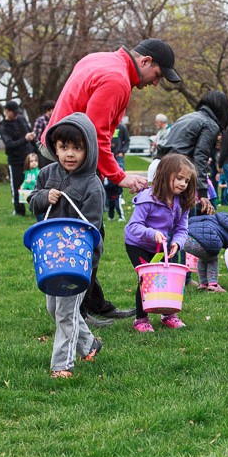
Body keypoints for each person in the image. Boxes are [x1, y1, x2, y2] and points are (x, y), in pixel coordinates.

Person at [46, 38, 180, 323]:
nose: (155, 83)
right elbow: (93, 136)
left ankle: (94, 303)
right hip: (72, 159)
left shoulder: (98, 59)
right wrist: (119, 176)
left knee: (90, 234)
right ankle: (76, 312)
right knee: (81, 238)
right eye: (157, 76)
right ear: (145, 62)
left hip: (61, 152)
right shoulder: (117, 80)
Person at [26, 113, 105, 379]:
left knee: (65, 312)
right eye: (63, 148)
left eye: (77, 148)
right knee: (54, 308)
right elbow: (32, 199)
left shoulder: (93, 185)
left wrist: (88, 261)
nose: (69, 154)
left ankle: (62, 364)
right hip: (50, 255)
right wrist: (43, 196)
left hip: (77, 258)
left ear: (88, 149)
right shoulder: (48, 173)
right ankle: (89, 344)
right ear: (55, 148)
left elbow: (92, 227)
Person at [124, 154, 197, 332]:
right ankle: (141, 319)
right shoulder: (147, 198)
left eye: (186, 181)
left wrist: (178, 243)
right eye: (179, 178)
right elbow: (133, 226)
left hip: (162, 246)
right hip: (137, 244)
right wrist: (152, 233)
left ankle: (168, 315)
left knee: (166, 277)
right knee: (146, 279)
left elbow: (182, 228)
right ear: (165, 175)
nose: (183, 184)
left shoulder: (181, 201)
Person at [154, 90, 228, 216]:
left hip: (164, 166)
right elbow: (200, 157)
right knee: (187, 218)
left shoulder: (188, 117)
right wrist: (202, 193)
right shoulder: (210, 124)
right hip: (179, 169)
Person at [185, 209, 228, 293]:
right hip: (204, 243)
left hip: (186, 238)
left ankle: (203, 283)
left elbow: (193, 219)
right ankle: (213, 285)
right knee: (212, 260)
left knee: (203, 258)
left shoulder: (218, 216)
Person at [0, 101, 35, 216]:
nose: (16, 115)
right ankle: (19, 210)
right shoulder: (3, 126)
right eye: (13, 113)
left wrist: (35, 147)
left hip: (28, 157)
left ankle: (35, 208)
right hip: (15, 160)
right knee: (17, 185)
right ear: (7, 111)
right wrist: (25, 139)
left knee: (33, 183)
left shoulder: (21, 120)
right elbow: (9, 144)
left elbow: (29, 133)